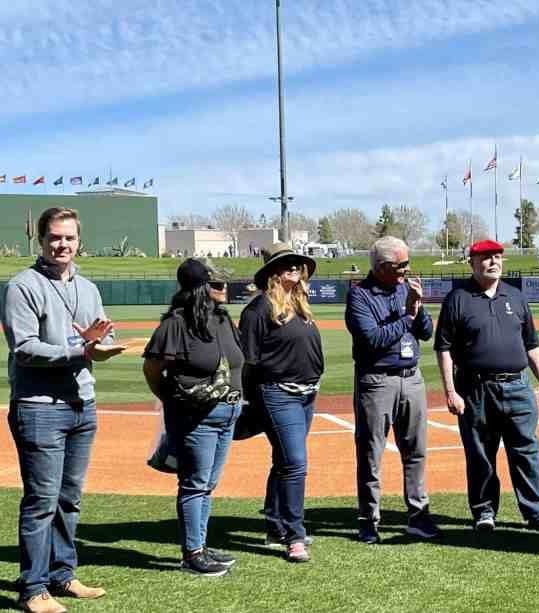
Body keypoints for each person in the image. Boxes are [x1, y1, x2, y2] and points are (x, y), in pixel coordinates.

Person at [4, 207, 126, 612]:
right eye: (55, 237)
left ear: (79, 241)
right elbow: (24, 348)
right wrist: (80, 350)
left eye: (69, 238)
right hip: (39, 408)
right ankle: (33, 589)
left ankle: (62, 575)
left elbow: (100, 334)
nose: (62, 245)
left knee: (70, 498)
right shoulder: (23, 286)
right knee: (42, 500)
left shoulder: (89, 288)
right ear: (40, 241)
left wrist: (103, 345)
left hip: (82, 404)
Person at [434, 239, 539, 534]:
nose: (493, 262)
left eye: (497, 257)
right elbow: (443, 348)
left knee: (526, 451)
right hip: (475, 389)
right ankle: (484, 511)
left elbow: (531, 343)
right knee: (480, 454)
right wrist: (451, 391)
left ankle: (537, 513)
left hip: (518, 387)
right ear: (472, 264)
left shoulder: (515, 297)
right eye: (486, 258)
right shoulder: (458, 298)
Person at [143, 258, 243, 576]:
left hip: (227, 414)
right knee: (194, 485)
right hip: (196, 417)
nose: (223, 288)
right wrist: (170, 399)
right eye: (216, 284)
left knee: (207, 484)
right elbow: (152, 368)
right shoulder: (175, 323)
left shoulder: (223, 319)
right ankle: (192, 554)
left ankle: (200, 545)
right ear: (199, 288)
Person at [344, 237, 438, 544]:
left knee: (416, 452)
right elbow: (372, 339)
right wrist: (407, 316)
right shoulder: (359, 296)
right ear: (383, 267)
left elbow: (426, 332)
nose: (407, 271)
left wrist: (419, 308)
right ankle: (368, 518)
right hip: (377, 381)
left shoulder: (404, 289)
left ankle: (418, 515)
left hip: (412, 378)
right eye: (402, 265)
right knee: (371, 453)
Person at [240, 243, 324, 562]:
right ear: (273, 271)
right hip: (278, 392)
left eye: (296, 263)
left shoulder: (299, 303)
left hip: (306, 393)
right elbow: (247, 359)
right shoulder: (259, 309)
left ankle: (276, 525)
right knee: (295, 464)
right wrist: (247, 401)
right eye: (286, 263)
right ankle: (295, 534)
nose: (293, 267)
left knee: (284, 462)